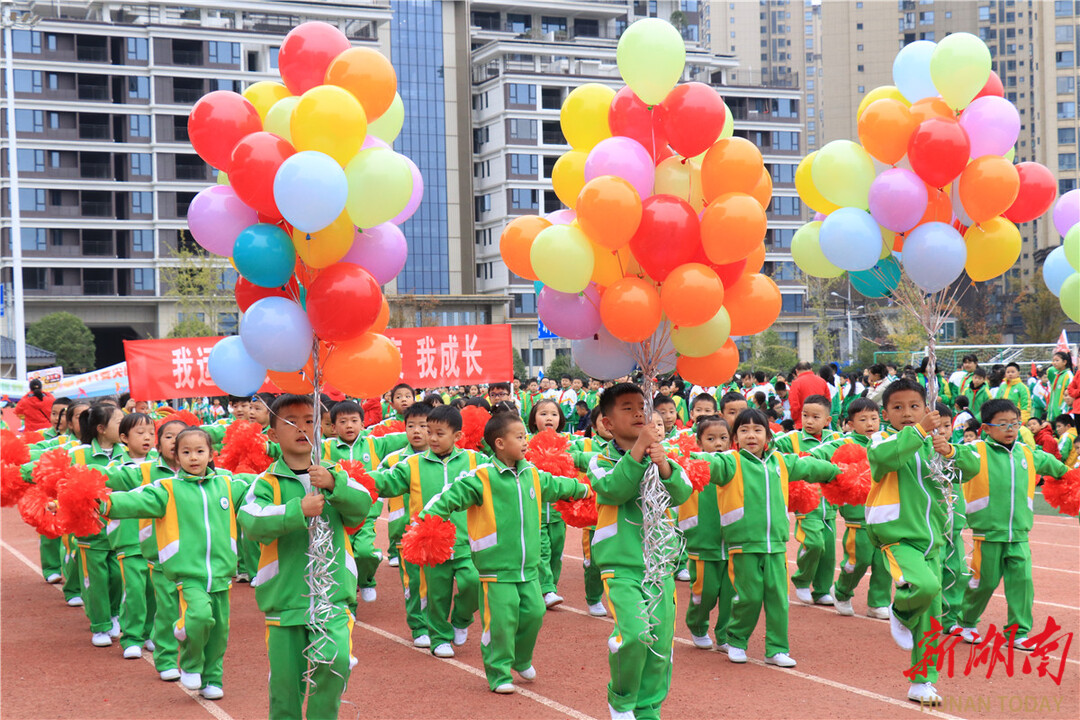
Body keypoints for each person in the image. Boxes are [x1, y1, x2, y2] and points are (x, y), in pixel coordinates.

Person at [421, 413, 590, 694]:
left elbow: (559, 486)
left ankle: (521, 657)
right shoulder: (481, 478)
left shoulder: (532, 473)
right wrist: (428, 522)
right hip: (494, 568)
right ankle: (498, 672)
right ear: (499, 443)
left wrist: (585, 489)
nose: (526, 442)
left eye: (525, 436)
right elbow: (447, 498)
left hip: (528, 568)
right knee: (501, 622)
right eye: (520, 437)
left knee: (535, 613)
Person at [239, 394, 373, 719]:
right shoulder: (266, 482)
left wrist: (334, 486)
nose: (302, 428)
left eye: (310, 421)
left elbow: (363, 504)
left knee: (336, 662)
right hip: (285, 603)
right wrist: (296, 510)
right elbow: (252, 520)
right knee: (285, 690)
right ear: (272, 434)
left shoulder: (336, 474)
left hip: (331, 599)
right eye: (290, 422)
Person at [570, 383, 692, 720]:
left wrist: (664, 464)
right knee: (636, 635)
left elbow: (682, 491)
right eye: (627, 407)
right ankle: (621, 699)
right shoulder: (599, 460)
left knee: (660, 645)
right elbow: (614, 489)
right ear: (607, 423)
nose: (639, 412)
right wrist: (640, 448)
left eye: (642, 406)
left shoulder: (660, 454)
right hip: (621, 565)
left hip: (659, 565)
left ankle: (649, 708)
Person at [101, 427, 248, 699]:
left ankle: (213, 679)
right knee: (200, 616)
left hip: (221, 574)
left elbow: (261, 487)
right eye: (186, 452)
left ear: (211, 454)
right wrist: (97, 502)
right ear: (176, 458)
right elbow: (130, 501)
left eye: (200, 451)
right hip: (188, 574)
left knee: (219, 631)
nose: (194, 457)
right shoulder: (166, 488)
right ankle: (190, 662)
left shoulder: (228, 484)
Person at [693, 409, 839, 668]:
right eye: (744, 430)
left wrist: (838, 472)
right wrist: (676, 460)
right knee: (748, 597)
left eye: (758, 430)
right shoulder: (730, 462)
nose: (751, 435)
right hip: (743, 545)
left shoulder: (781, 462)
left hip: (776, 545)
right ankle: (737, 640)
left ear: (768, 436)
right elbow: (706, 463)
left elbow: (810, 467)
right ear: (735, 437)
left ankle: (777, 648)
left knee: (778, 598)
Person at [864, 378, 957, 705]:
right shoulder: (880, 440)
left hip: (935, 538)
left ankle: (923, 680)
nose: (907, 413)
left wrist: (949, 450)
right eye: (898, 408)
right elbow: (887, 459)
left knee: (933, 617)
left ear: (926, 408)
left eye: (914, 407)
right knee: (924, 586)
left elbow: (963, 470)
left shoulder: (934, 442)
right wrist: (918, 432)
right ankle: (900, 611)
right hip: (899, 536)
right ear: (885, 413)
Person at [951, 399, 1071, 650]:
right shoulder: (975, 450)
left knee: (1022, 583)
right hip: (988, 534)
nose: (1010, 429)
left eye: (1015, 423)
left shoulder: (1027, 452)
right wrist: (943, 447)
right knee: (983, 582)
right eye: (1002, 424)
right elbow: (955, 455)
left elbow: (1058, 468)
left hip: (1019, 533)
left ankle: (1018, 632)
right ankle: (967, 621)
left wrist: (1071, 478)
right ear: (986, 428)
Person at [371, 405, 481, 659]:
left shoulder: (475, 461)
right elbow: (386, 482)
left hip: (466, 542)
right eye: (429, 431)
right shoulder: (412, 464)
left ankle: (461, 619)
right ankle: (440, 637)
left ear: (457, 436)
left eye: (439, 433)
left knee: (473, 582)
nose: (431, 438)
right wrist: (354, 480)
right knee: (436, 594)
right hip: (429, 543)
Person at [101, 418, 187, 680]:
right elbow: (106, 477)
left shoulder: (194, 472)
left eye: (180, 437)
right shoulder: (142, 469)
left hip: (171, 549)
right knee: (136, 591)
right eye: (168, 436)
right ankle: (131, 638)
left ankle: (151, 633)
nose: (174, 442)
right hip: (132, 542)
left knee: (158, 598)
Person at [816, 398, 893, 619]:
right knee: (858, 559)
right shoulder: (843, 443)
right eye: (863, 419)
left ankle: (878, 602)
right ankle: (841, 591)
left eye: (874, 418)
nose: (870, 423)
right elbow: (820, 453)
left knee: (884, 561)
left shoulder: (886, 440)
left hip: (885, 512)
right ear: (850, 423)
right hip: (857, 514)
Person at [71, 403, 130, 647]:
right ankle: (100, 625)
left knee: (117, 576)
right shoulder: (79, 454)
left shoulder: (126, 452)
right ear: (101, 429)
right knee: (95, 578)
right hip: (89, 527)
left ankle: (114, 613)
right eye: (119, 422)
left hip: (119, 526)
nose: (124, 427)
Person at [374, 403, 433, 647]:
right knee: (414, 583)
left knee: (438, 585)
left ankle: (439, 623)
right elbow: (375, 490)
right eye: (411, 426)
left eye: (424, 426)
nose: (417, 431)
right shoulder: (394, 460)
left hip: (439, 533)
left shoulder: (445, 457)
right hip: (405, 536)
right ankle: (419, 626)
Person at [772, 395, 839, 605]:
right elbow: (771, 449)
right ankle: (802, 580)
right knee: (814, 543)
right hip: (806, 504)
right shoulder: (790, 439)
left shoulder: (836, 439)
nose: (809, 421)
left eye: (815, 417)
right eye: (805, 416)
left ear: (827, 420)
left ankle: (822, 589)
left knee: (828, 551)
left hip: (831, 504)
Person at [680, 416, 734, 650]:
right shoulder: (694, 465)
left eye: (723, 438)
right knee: (706, 592)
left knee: (732, 595)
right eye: (711, 439)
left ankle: (725, 634)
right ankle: (698, 623)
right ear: (699, 443)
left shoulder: (735, 464)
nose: (718, 443)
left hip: (733, 542)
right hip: (704, 542)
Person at [526, 399, 570, 608]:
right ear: (534, 419)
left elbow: (580, 458)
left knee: (556, 551)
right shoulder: (525, 442)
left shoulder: (568, 443)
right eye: (543, 414)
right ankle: (547, 589)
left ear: (560, 419)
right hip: (534, 509)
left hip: (559, 510)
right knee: (541, 549)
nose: (549, 418)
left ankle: (550, 585)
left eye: (553, 414)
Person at [788, 361, 831, 429]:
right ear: (811, 369)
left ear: (796, 371)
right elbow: (828, 402)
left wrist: (795, 419)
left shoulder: (796, 383)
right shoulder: (822, 381)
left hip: (803, 423)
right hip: (821, 423)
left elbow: (794, 406)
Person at [1046, 351, 1075, 419]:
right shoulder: (1057, 375)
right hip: (1052, 413)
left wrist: (1064, 411)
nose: (1054, 363)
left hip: (1062, 414)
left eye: (1057, 360)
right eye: (1053, 361)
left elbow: (1070, 395)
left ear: (1064, 362)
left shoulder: (1068, 375)